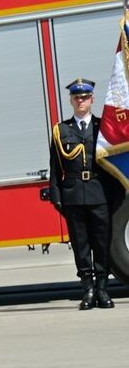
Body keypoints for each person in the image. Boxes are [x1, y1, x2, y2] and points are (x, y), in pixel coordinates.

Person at [49, 78, 117, 309]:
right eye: (77, 97)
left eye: (85, 97)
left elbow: (114, 165)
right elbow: (56, 168)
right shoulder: (61, 130)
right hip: (74, 195)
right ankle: (87, 290)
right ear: (71, 100)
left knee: (102, 243)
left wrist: (114, 197)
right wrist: (57, 197)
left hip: (100, 193)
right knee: (81, 245)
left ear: (92, 99)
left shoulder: (104, 128)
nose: (81, 101)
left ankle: (102, 289)